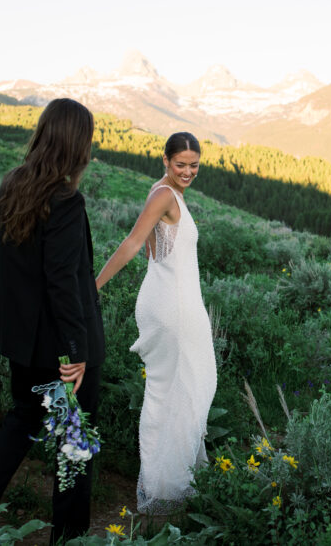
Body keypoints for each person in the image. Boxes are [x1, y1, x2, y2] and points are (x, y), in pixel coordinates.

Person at [0, 98, 105, 542]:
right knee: (73, 444)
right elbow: (62, 282)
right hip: (61, 351)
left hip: (23, 343)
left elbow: (19, 273)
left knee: (21, 419)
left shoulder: (12, 187)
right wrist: (78, 353)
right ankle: (67, 537)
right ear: (74, 144)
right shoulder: (65, 200)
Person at [96, 131, 217, 516]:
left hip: (173, 303)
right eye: (180, 164)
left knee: (179, 392)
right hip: (174, 309)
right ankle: (167, 490)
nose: (187, 171)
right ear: (165, 160)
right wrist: (92, 287)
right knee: (186, 391)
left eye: (194, 165)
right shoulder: (164, 194)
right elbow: (133, 242)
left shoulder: (164, 192)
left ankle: (174, 482)